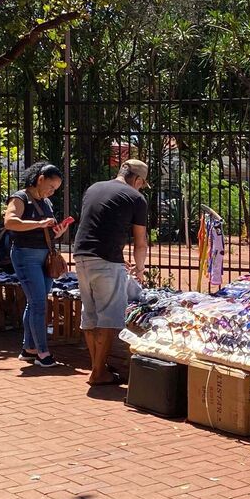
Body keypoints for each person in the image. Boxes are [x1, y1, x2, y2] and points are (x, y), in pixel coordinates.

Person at [74, 159, 149, 385]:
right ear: (137, 179)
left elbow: (98, 223)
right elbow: (140, 241)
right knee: (108, 317)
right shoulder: (136, 198)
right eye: (142, 184)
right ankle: (98, 373)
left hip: (81, 255)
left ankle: (98, 367)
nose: (140, 188)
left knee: (90, 314)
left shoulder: (94, 188)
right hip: (107, 259)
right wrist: (140, 269)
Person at [3, 162, 70, 368]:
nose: (52, 191)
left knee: (36, 302)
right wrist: (39, 224)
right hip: (26, 255)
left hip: (45, 256)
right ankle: (43, 353)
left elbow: (47, 230)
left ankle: (29, 348)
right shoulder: (20, 197)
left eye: (55, 189)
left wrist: (56, 230)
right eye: (51, 186)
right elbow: (10, 221)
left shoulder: (46, 202)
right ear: (40, 179)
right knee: (39, 303)